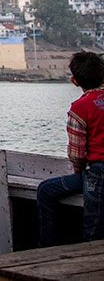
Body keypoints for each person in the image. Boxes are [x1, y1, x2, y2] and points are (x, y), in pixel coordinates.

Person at [37, 50, 104, 246]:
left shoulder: (80, 108)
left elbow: (77, 155)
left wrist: (79, 173)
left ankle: (46, 248)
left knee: (92, 233)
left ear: (74, 81)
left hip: (96, 175)